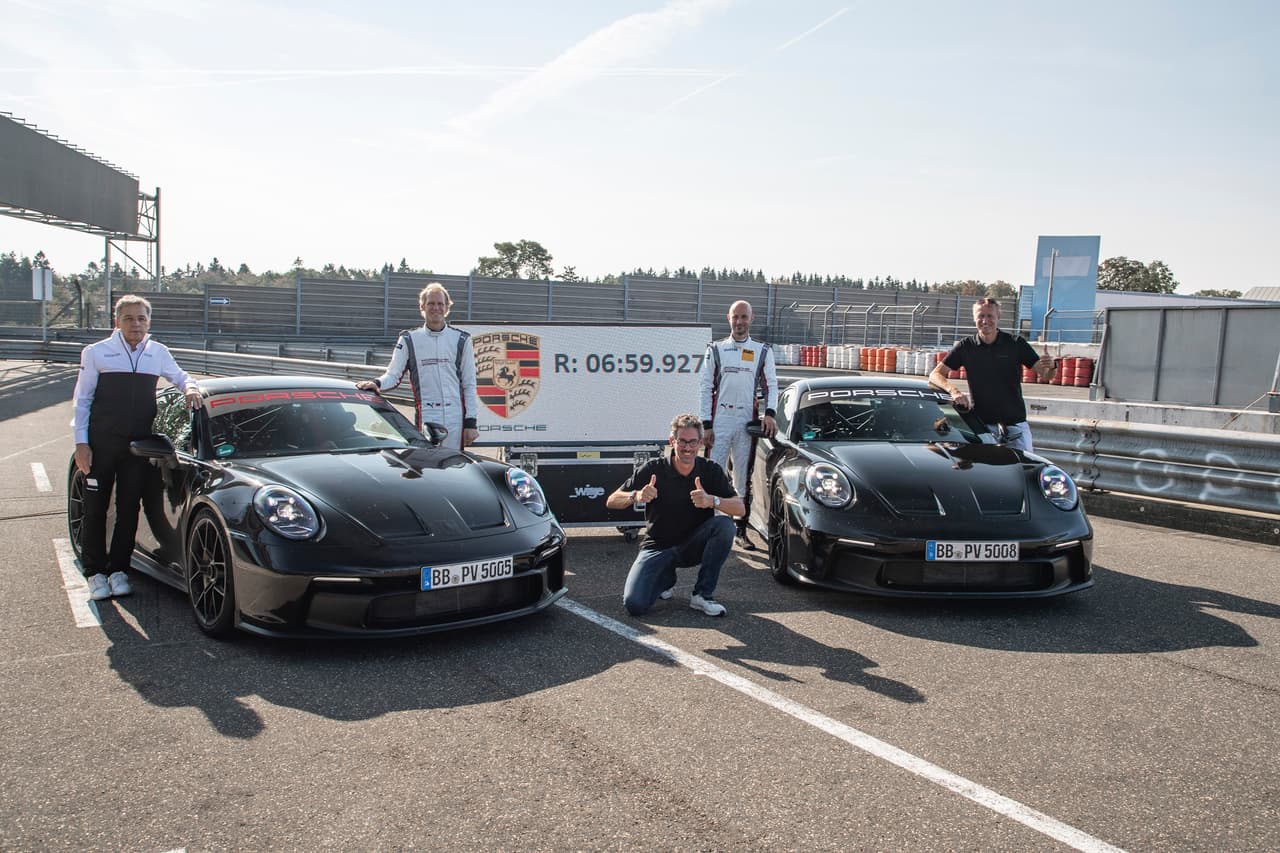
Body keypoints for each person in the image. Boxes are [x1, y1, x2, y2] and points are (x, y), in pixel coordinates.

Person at [71, 294, 203, 601]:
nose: (136, 324)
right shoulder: (96, 353)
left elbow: (180, 376)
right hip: (101, 444)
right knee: (96, 509)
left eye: (142, 318)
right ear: (117, 322)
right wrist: (81, 443)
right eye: (129, 318)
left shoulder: (157, 352)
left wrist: (191, 387)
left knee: (129, 509)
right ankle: (94, 572)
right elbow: (83, 400)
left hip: (138, 448)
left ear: (149, 321)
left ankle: (118, 571)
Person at [607, 413, 744, 618]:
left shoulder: (710, 470)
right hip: (658, 546)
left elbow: (740, 509)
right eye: (682, 441)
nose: (687, 448)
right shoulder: (654, 468)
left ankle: (702, 596)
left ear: (700, 443)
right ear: (672, 441)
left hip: (692, 546)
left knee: (725, 526)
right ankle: (665, 578)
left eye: (692, 442)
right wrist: (636, 495)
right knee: (634, 605)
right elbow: (612, 500)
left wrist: (713, 500)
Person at [358, 282, 480, 451]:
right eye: (431, 303)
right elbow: (393, 375)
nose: (435, 308)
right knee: (427, 467)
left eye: (440, 304)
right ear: (422, 306)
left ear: (446, 308)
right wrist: (376, 383)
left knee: (455, 467)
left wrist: (471, 423)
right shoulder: (408, 339)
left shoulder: (461, 340)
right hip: (427, 416)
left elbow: (469, 383)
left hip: (456, 418)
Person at [699, 299, 778, 550]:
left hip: (746, 421)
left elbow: (771, 386)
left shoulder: (762, 351)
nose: (740, 322)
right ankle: (705, 527)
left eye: (744, 317)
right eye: (736, 317)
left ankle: (740, 529)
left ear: (751, 319)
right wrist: (706, 424)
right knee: (712, 473)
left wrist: (770, 414)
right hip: (720, 420)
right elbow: (705, 387)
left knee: (742, 476)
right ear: (728, 318)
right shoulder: (715, 349)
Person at [928, 297, 1055, 452]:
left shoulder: (1016, 343)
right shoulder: (966, 346)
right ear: (974, 318)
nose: (985, 320)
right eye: (981, 316)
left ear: (998, 317)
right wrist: (954, 392)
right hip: (982, 427)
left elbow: (1046, 375)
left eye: (990, 316)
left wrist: (1052, 366)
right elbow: (935, 375)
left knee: (1024, 471)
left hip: (1015, 426)